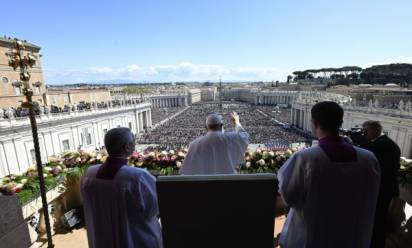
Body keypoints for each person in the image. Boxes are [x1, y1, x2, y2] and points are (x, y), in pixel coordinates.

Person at [277, 101, 380, 248]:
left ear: (315, 123)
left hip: (313, 236)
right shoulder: (369, 159)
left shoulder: (305, 158)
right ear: (340, 122)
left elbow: (288, 196)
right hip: (352, 235)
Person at [81, 128, 162, 248]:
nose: (134, 146)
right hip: (135, 238)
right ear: (127, 147)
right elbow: (154, 209)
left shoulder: (89, 174)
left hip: (103, 237)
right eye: (133, 143)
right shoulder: (138, 177)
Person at [361, 121, 401, 248]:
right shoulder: (385, 143)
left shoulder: (381, 144)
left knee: (378, 220)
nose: (364, 134)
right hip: (384, 188)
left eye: (366, 131)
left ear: (378, 129)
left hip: (382, 189)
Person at [180, 112, 249, 174]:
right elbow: (244, 136)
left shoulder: (194, 144)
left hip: (205, 184)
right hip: (228, 181)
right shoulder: (230, 138)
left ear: (206, 127)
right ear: (221, 125)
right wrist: (236, 122)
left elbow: (188, 170)